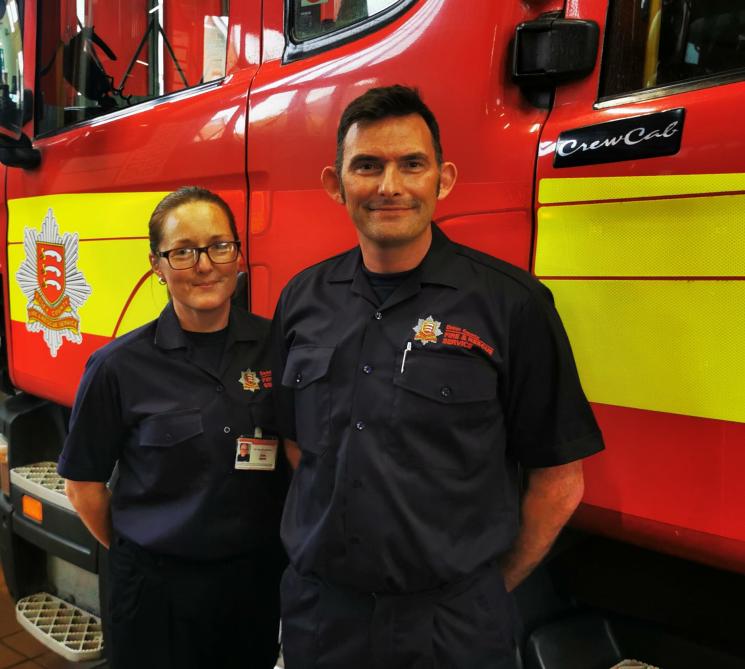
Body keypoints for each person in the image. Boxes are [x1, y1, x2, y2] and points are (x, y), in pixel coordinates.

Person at [271, 86, 605, 669]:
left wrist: (477, 593)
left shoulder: (512, 305)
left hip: (452, 629)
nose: (390, 186)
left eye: (412, 164)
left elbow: (559, 482)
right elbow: (299, 445)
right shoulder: (302, 298)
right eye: (367, 166)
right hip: (322, 617)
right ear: (336, 183)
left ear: (443, 179)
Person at [58, 187, 287, 669]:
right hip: (155, 593)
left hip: (253, 584)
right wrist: (149, 549)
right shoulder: (117, 367)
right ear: (156, 266)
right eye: (182, 252)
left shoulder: (277, 347)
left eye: (219, 246)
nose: (205, 265)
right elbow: (83, 486)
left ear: (238, 254)